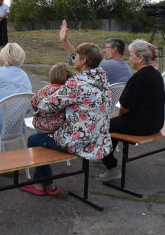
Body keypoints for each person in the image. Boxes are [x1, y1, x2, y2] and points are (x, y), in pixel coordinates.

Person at [20, 43, 113, 196]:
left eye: (76, 56)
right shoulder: (102, 78)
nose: (73, 59)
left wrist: (37, 104)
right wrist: (64, 41)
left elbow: (47, 105)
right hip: (99, 140)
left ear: (83, 61)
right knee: (47, 136)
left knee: (34, 140)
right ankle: (47, 184)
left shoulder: (76, 83)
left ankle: (41, 183)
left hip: (81, 143)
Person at [99, 39, 165, 181]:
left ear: (140, 58)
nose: (129, 59)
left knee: (102, 126)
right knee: (114, 126)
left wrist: (119, 116)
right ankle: (107, 158)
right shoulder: (155, 74)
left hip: (143, 124)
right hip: (157, 122)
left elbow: (124, 107)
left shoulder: (139, 77)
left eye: (131, 55)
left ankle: (111, 167)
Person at [59, 19, 131, 84]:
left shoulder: (105, 66)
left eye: (106, 47)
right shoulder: (127, 68)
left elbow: (79, 62)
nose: (104, 50)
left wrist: (64, 41)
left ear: (114, 49)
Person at [31, 63, 73, 133]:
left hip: (39, 125)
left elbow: (33, 102)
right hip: (57, 126)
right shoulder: (66, 92)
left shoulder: (44, 90)